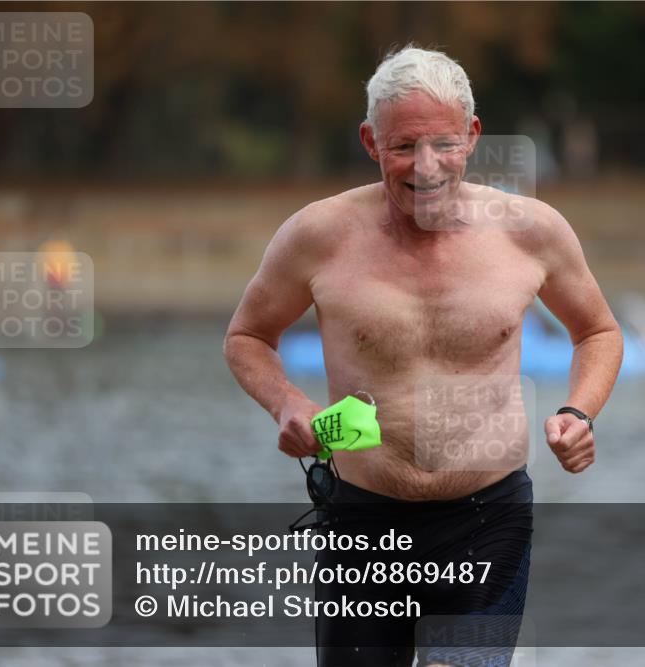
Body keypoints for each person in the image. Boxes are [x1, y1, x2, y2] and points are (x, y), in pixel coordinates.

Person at [224, 46, 623, 667]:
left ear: (472, 135)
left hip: (485, 522)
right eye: (404, 146)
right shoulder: (318, 236)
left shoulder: (530, 231)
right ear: (369, 141)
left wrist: (580, 412)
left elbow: (597, 330)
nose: (426, 167)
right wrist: (287, 403)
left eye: (443, 144)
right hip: (361, 524)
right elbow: (247, 337)